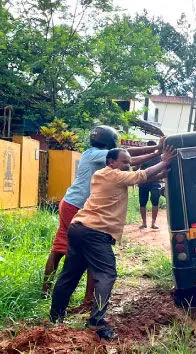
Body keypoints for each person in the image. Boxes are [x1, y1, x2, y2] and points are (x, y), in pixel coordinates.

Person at [49, 145, 175, 340]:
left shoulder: (104, 175)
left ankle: (55, 318)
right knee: (106, 275)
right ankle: (96, 322)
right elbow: (141, 175)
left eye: (129, 161)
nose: (128, 164)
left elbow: (141, 177)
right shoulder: (114, 175)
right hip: (94, 232)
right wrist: (164, 161)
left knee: (70, 274)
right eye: (124, 161)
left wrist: (161, 173)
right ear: (111, 162)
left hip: (79, 228)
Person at [41, 126, 163, 298]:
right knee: (93, 253)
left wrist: (156, 153)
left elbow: (129, 160)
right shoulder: (101, 155)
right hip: (78, 207)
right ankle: (89, 300)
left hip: (69, 202)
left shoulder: (89, 153)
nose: (125, 162)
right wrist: (155, 150)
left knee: (59, 249)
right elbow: (129, 157)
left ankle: (45, 291)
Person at [137, 141, 163, 230]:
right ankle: (144, 223)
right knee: (143, 202)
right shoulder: (142, 157)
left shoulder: (159, 157)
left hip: (155, 182)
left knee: (155, 201)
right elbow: (135, 168)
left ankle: (153, 223)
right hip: (144, 182)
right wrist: (138, 164)